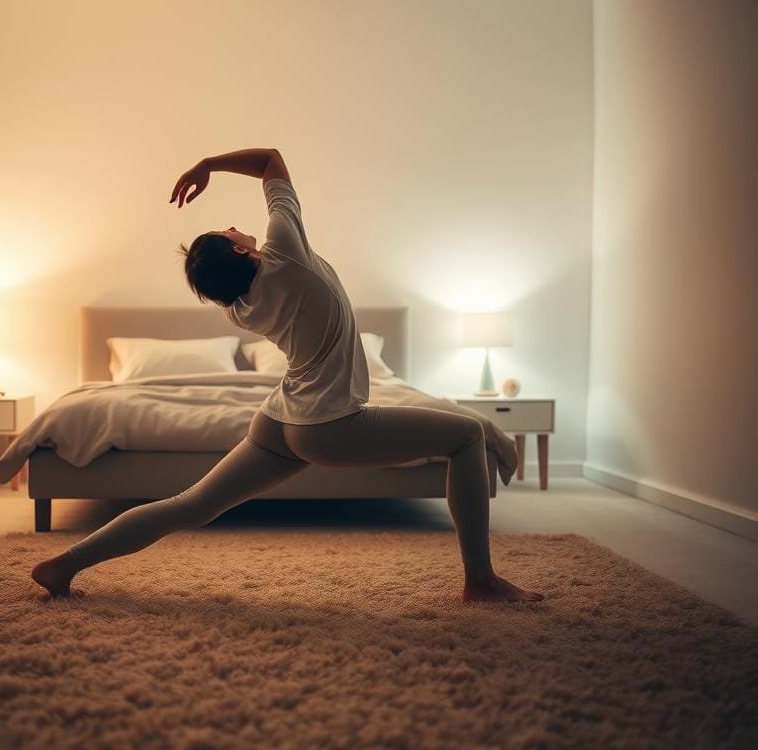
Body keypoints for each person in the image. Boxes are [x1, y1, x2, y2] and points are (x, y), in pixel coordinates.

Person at [31, 148, 543, 604]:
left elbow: (263, 186)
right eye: (230, 232)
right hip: (330, 425)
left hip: (280, 420)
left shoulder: (240, 307)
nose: (236, 227)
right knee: (467, 434)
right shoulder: (285, 256)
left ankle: (64, 565)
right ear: (241, 250)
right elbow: (270, 159)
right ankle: (480, 580)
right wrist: (209, 165)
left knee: (189, 505)